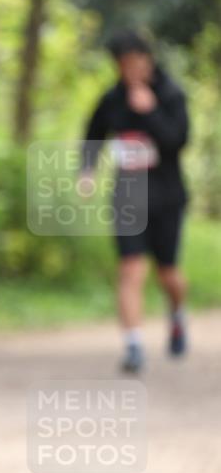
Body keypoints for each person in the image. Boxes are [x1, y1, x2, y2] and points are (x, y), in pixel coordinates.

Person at [80, 29, 189, 373]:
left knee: (167, 272)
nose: (128, 71)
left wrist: (151, 111)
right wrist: (87, 171)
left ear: (147, 59)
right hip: (127, 196)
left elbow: (178, 140)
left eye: (133, 63)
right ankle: (133, 346)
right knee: (130, 268)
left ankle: (177, 313)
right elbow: (93, 134)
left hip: (167, 196)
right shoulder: (112, 98)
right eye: (121, 65)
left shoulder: (171, 94)